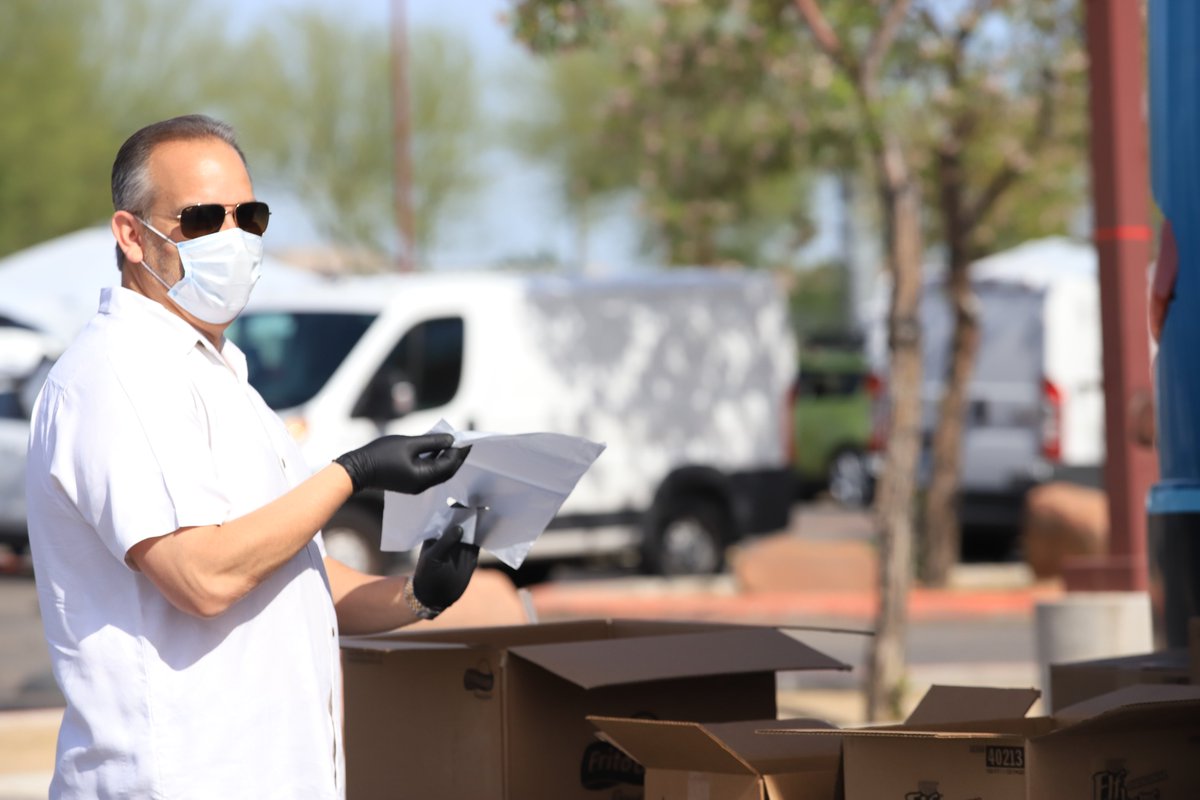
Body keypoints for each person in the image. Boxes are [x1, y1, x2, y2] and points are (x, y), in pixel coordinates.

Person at [24, 114, 478, 799]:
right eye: (204, 218)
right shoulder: (115, 374)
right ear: (130, 235)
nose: (232, 239)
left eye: (250, 216)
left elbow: (298, 575)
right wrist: (352, 473)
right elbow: (201, 576)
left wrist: (418, 594)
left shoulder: (221, 376)